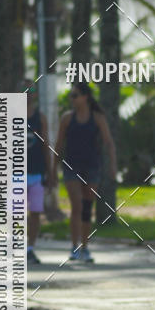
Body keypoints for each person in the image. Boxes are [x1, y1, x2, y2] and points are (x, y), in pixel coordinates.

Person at [54, 82, 116, 263]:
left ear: (85, 97)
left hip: (92, 167)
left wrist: (112, 166)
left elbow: (108, 142)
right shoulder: (67, 118)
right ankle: (74, 246)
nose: (72, 99)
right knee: (77, 206)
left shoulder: (97, 118)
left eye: (75, 95)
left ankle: (85, 248)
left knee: (87, 208)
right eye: (71, 96)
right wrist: (52, 170)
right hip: (71, 167)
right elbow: (58, 145)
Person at [23, 80, 55, 265]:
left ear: (34, 94)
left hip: (36, 172)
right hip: (16, 173)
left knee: (35, 212)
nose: (27, 93)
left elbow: (46, 145)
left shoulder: (39, 117)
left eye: (31, 89)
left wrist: (50, 173)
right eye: (24, 89)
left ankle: (30, 248)